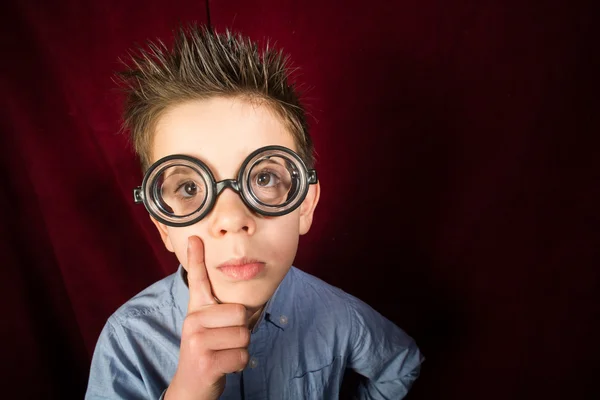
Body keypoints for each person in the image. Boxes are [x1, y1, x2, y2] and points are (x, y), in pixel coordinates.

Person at [85, 24, 423, 400]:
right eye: (189, 187)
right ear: (163, 225)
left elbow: (401, 363)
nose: (232, 218)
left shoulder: (338, 316)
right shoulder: (129, 339)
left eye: (263, 177)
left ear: (305, 204)